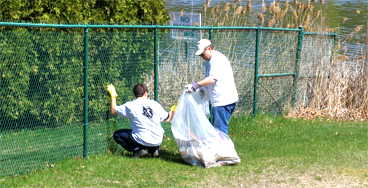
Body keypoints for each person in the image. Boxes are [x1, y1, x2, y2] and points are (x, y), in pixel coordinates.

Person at [107, 83, 175, 158]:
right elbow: (167, 117)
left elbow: (113, 110)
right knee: (148, 134)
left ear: (135, 94)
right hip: (158, 139)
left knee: (117, 134)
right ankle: (154, 149)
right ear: (146, 93)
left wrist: (113, 95)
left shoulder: (130, 105)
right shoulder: (155, 104)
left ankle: (138, 150)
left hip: (142, 139)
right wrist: (174, 110)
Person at [185, 39, 238, 135]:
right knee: (218, 129)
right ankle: (219, 148)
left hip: (222, 101)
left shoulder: (216, 60)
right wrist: (198, 89)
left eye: (202, 54)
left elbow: (212, 79)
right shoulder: (211, 61)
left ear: (209, 48)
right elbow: (209, 81)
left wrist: (196, 85)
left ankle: (222, 149)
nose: (201, 56)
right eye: (200, 55)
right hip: (223, 100)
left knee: (220, 130)